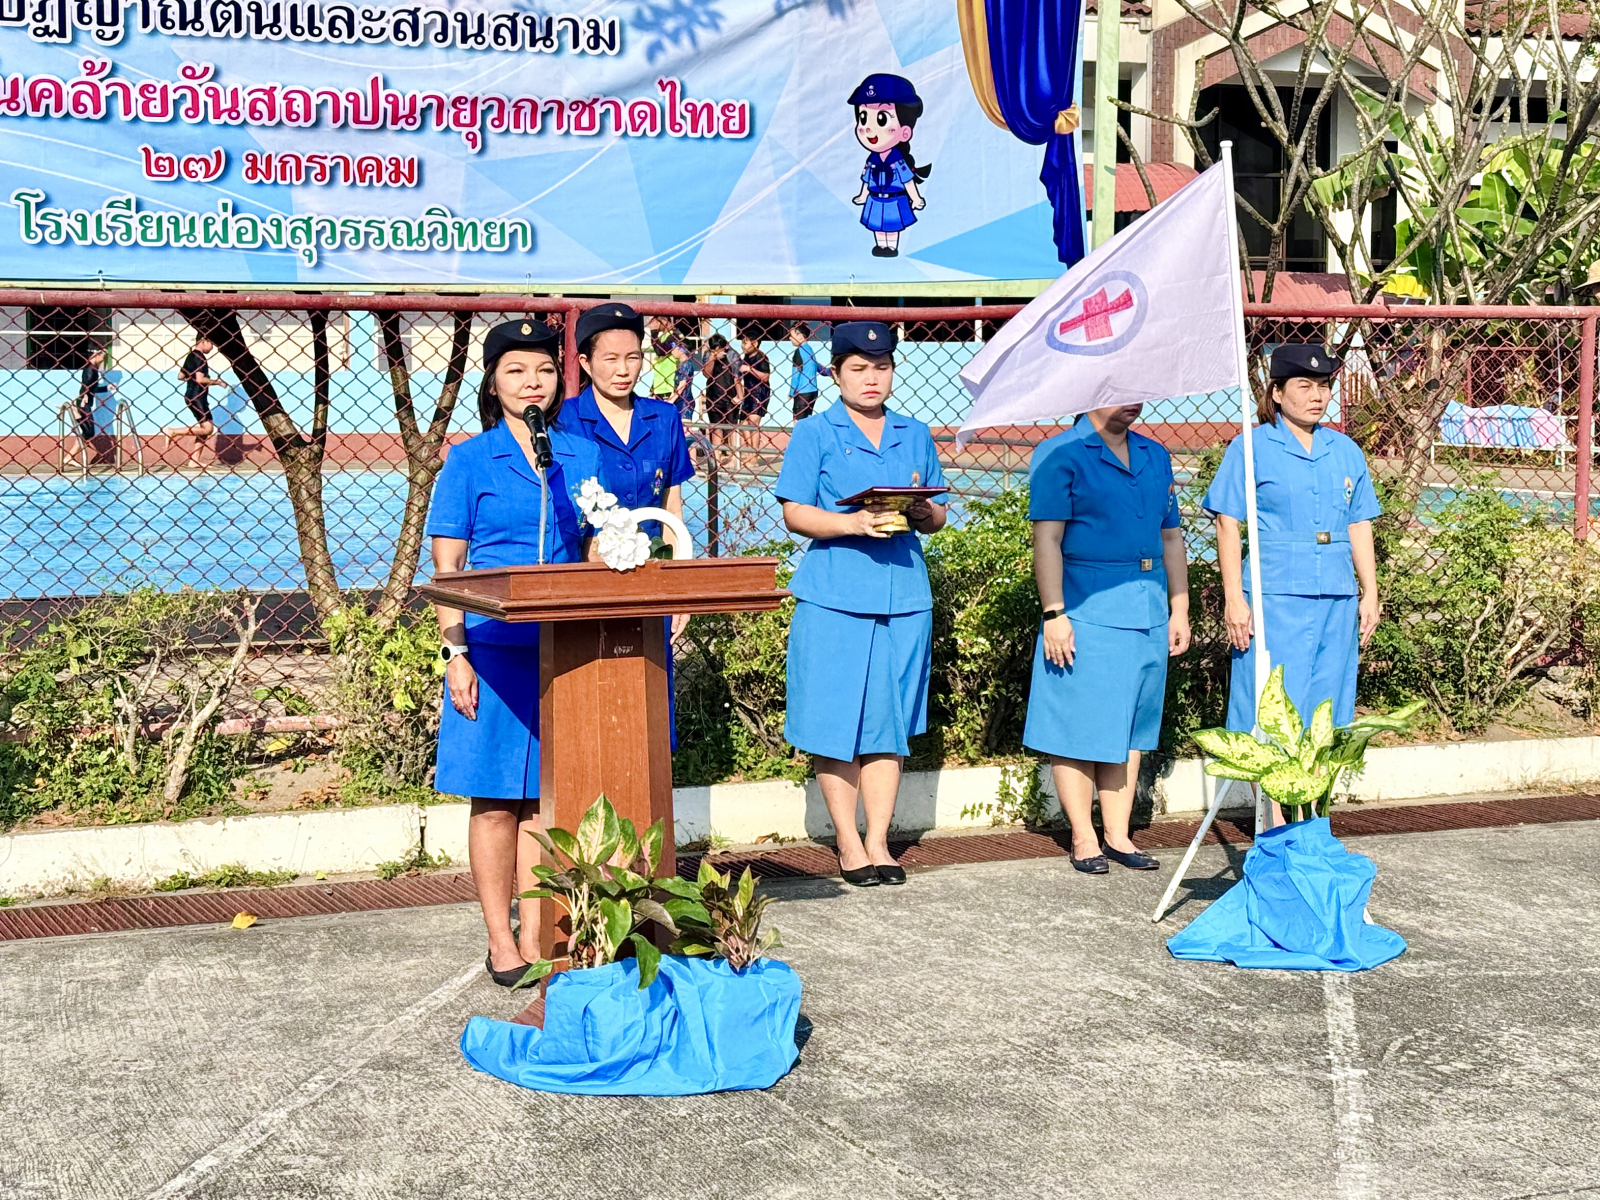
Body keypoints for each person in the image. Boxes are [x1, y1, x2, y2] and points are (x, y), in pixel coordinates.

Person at [426, 319, 599, 987]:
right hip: (493, 652)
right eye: (517, 371)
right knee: (496, 801)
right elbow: (448, 569)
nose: (533, 383)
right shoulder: (470, 460)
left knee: (543, 801)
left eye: (545, 371)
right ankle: (501, 938)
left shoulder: (579, 456)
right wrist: (456, 654)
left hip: (564, 650)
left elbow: (595, 548)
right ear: (493, 383)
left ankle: (537, 931)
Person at [777, 320, 946, 887]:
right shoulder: (814, 433)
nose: (871, 378)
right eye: (858, 368)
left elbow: (938, 515)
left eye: (881, 367)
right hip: (835, 595)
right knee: (835, 720)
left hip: (904, 594)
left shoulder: (914, 433)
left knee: (888, 723)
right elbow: (795, 512)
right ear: (835, 373)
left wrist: (923, 512)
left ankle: (879, 841)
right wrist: (851, 523)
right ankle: (848, 842)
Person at [1023, 406, 1191, 874]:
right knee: (1077, 725)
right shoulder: (1060, 453)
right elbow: (1047, 540)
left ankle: (1118, 834)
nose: (1131, 399)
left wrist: (1179, 607)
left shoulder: (1154, 454)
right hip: (1086, 605)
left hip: (1147, 605)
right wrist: (1055, 612)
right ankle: (1083, 836)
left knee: (1131, 725)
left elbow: (1171, 536)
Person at [1204, 344, 1381, 752]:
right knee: (1269, 703)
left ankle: (1315, 792)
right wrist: (1234, 598)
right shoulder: (1251, 447)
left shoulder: (1345, 450)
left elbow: (1359, 523)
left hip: (1336, 594)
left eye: (1324, 385)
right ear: (1278, 393)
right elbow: (1227, 521)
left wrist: (1370, 591)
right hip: (1274, 597)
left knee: (1328, 706)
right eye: (1304, 385)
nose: (1317, 396)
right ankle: (1268, 796)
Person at [558, 302, 697, 739]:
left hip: (650, 583)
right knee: (590, 709)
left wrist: (680, 588)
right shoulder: (564, 421)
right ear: (585, 363)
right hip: (587, 585)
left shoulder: (665, 418)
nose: (624, 370)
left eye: (633, 357)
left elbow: (671, 508)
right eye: (610, 359)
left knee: (649, 708)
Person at [848, 73, 932, 258]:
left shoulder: (897, 161)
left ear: (905, 132)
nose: (868, 128)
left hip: (894, 200)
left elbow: (908, 181)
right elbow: (866, 179)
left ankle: (891, 247)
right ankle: (881, 246)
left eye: (881, 119)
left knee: (892, 226)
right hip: (875, 199)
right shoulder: (872, 160)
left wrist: (916, 199)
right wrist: (863, 196)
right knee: (877, 226)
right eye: (863, 118)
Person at [163, 334, 223, 469]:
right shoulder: (200, 358)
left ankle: (195, 460)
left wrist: (191, 379)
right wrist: (217, 382)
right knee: (208, 429)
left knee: (204, 429)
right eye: (211, 344)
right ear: (203, 341)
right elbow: (201, 379)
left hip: (193, 395)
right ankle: (173, 431)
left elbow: (180, 376)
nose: (212, 347)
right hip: (197, 396)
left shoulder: (190, 356)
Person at [75, 348, 116, 466]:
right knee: (88, 432)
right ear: (95, 356)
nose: (103, 358)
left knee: (87, 432)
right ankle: (69, 457)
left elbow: (92, 388)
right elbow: (86, 384)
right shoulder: (91, 370)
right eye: (102, 355)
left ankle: (69, 457)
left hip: (85, 402)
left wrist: (106, 388)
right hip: (84, 403)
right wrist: (84, 395)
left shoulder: (92, 369)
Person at [702, 333, 740, 443]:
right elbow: (707, 374)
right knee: (716, 429)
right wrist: (712, 359)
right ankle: (717, 453)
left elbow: (737, 378)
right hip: (713, 397)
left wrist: (739, 396)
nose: (716, 351)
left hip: (730, 398)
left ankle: (732, 453)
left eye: (718, 349)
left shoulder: (732, 355)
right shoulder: (708, 354)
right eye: (713, 349)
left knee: (731, 430)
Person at [787, 323, 828, 422]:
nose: (789, 338)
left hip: (802, 392)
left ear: (800, 336)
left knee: (798, 421)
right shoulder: (810, 350)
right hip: (813, 391)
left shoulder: (798, 352)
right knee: (807, 419)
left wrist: (791, 392)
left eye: (791, 335)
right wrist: (830, 372)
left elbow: (796, 375)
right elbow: (818, 367)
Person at [738, 333, 772, 426]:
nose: (743, 346)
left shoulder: (761, 357)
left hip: (759, 393)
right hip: (748, 393)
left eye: (745, 343)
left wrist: (750, 369)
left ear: (755, 343)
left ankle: (755, 436)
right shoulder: (746, 357)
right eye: (742, 343)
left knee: (753, 423)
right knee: (743, 424)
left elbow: (765, 377)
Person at [670, 340, 698, 421]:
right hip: (679, 401)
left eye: (674, 348)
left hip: (684, 404)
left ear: (681, 350)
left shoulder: (686, 364)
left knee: (683, 427)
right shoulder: (680, 364)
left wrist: (671, 400)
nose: (672, 350)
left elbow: (682, 385)